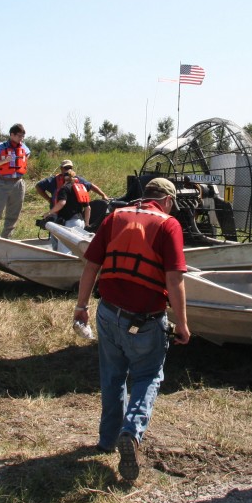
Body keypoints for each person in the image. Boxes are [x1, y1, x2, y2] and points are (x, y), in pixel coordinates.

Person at [73, 178, 190, 483]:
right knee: (148, 376)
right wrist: (184, 324)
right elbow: (175, 280)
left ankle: (107, 440)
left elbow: (90, 266)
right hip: (146, 320)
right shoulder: (169, 225)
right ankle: (131, 433)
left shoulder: (114, 217)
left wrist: (81, 306)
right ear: (166, 200)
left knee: (112, 376)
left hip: (108, 313)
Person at [0, 124, 31, 239]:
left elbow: (28, 154)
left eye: (23, 136)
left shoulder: (24, 147)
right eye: (19, 136)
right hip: (3, 183)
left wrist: (22, 162)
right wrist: (5, 161)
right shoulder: (1, 147)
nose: (21, 138)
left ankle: (6, 239)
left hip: (18, 183)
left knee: (13, 214)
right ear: (12, 135)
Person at [45, 169, 91, 253]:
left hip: (70, 223)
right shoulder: (81, 189)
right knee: (77, 252)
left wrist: (49, 212)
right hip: (80, 222)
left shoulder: (64, 188)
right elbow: (88, 208)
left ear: (62, 179)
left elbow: (62, 203)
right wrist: (87, 223)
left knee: (65, 252)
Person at [35, 159, 108, 205]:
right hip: (57, 211)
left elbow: (91, 186)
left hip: (73, 212)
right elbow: (38, 186)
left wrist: (103, 195)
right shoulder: (53, 180)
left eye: (69, 168)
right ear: (61, 169)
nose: (68, 170)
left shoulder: (78, 179)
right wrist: (48, 199)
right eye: (65, 168)